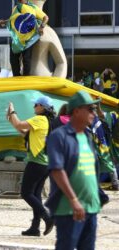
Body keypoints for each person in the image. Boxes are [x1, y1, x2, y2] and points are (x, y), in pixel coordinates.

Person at [46, 90, 101, 250]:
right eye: (90, 109)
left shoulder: (87, 136)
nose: (94, 113)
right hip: (69, 209)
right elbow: (57, 170)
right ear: (76, 111)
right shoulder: (59, 136)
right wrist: (74, 200)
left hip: (91, 208)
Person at [6, 95, 55, 236]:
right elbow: (23, 132)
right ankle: (35, 227)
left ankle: (47, 217)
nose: (34, 107)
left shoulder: (40, 119)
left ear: (42, 107)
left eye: (35, 105)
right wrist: (11, 119)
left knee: (26, 193)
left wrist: (13, 112)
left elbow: (20, 124)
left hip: (37, 162)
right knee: (35, 194)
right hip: (45, 163)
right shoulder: (46, 120)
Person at [0, 0, 49, 76]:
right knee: (13, 60)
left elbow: (45, 17)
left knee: (26, 60)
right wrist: (3, 22)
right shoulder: (15, 8)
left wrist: (41, 27)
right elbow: (13, 20)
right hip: (16, 38)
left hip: (28, 38)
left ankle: (26, 79)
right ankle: (16, 77)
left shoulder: (33, 7)